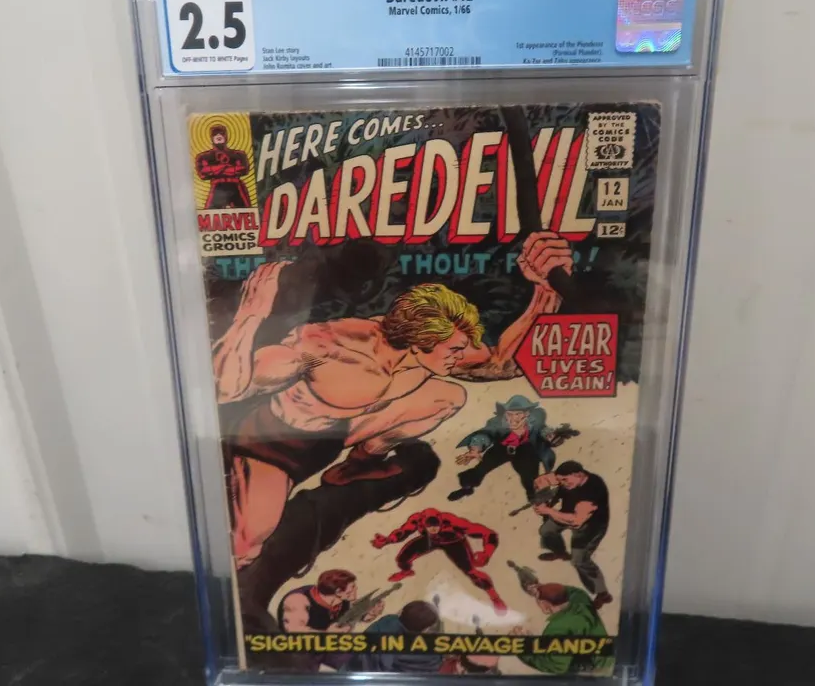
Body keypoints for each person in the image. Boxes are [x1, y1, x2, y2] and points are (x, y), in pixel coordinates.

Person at [215, 232, 573, 568]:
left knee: (448, 396)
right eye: (454, 350)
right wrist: (250, 314)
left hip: (337, 434)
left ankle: (358, 464)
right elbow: (227, 389)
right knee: (245, 546)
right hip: (276, 444)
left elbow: (501, 364)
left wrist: (544, 292)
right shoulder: (325, 348)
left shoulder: (429, 352)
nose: (461, 357)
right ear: (421, 342)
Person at [371, 509, 507, 614]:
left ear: (441, 521)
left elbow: (489, 534)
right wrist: (388, 540)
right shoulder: (417, 520)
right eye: (429, 526)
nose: (433, 529)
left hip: (454, 543)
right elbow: (402, 532)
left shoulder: (453, 522)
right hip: (431, 541)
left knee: (471, 572)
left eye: (436, 525)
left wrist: (487, 553)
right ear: (423, 523)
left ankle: (494, 597)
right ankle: (407, 571)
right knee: (402, 558)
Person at [533, 461, 612, 608]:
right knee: (546, 530)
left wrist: (548, 511)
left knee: (579, 560)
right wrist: (542, 495)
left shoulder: (593, 490)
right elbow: (541, 480)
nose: (562, 483)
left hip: (590, 526)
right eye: (560, 480)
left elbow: (576, 521)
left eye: (565, 480)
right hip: (566, 514)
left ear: (579, 475)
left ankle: (602, 593)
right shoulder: (569, 476)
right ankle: (561, 552)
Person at [449, 395, 556, 502]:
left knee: (530, 475)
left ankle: (535, 495)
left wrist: (550, 435)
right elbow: (485, 434)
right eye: (509, 414)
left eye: (517, 414)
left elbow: (543, 429)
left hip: (525, 450)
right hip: (502, 449)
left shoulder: (536, 421)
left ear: (526, 414)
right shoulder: (497, 423)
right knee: (481, 468)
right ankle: (466, 488)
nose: (513, 419)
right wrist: (475, 449)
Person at [512, 582, 611, 674]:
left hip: (595, 672)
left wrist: (521, 647)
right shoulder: (581, 599)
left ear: (545, 605)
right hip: (606, 660)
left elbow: (555, 666)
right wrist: (540, 589)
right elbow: (571, 591)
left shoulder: (558, 628)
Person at [341, 600, 442, 673]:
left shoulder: (387, 621)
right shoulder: (431, 656)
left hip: (349, 675)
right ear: (425, 630)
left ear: (401, 613)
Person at [276, 569, 382, 633]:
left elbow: (348, 615)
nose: (356, 589)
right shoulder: (298, 600)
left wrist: (369, 614)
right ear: (338, 592)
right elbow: (295, 632)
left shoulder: (341, 600)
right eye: (353, 587)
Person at [195, 125, 252, 209]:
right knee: (211, 212)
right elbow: (203, 173)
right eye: (215, 133)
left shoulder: (238, 154)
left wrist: (215, 169)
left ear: (226, 136)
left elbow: (244, 169)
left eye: (221, 133)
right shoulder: (204, 156)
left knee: (245, 211)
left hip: (235, 187)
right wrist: (226, 166)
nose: (218, 135)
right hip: (218, 187)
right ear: (211, 137)